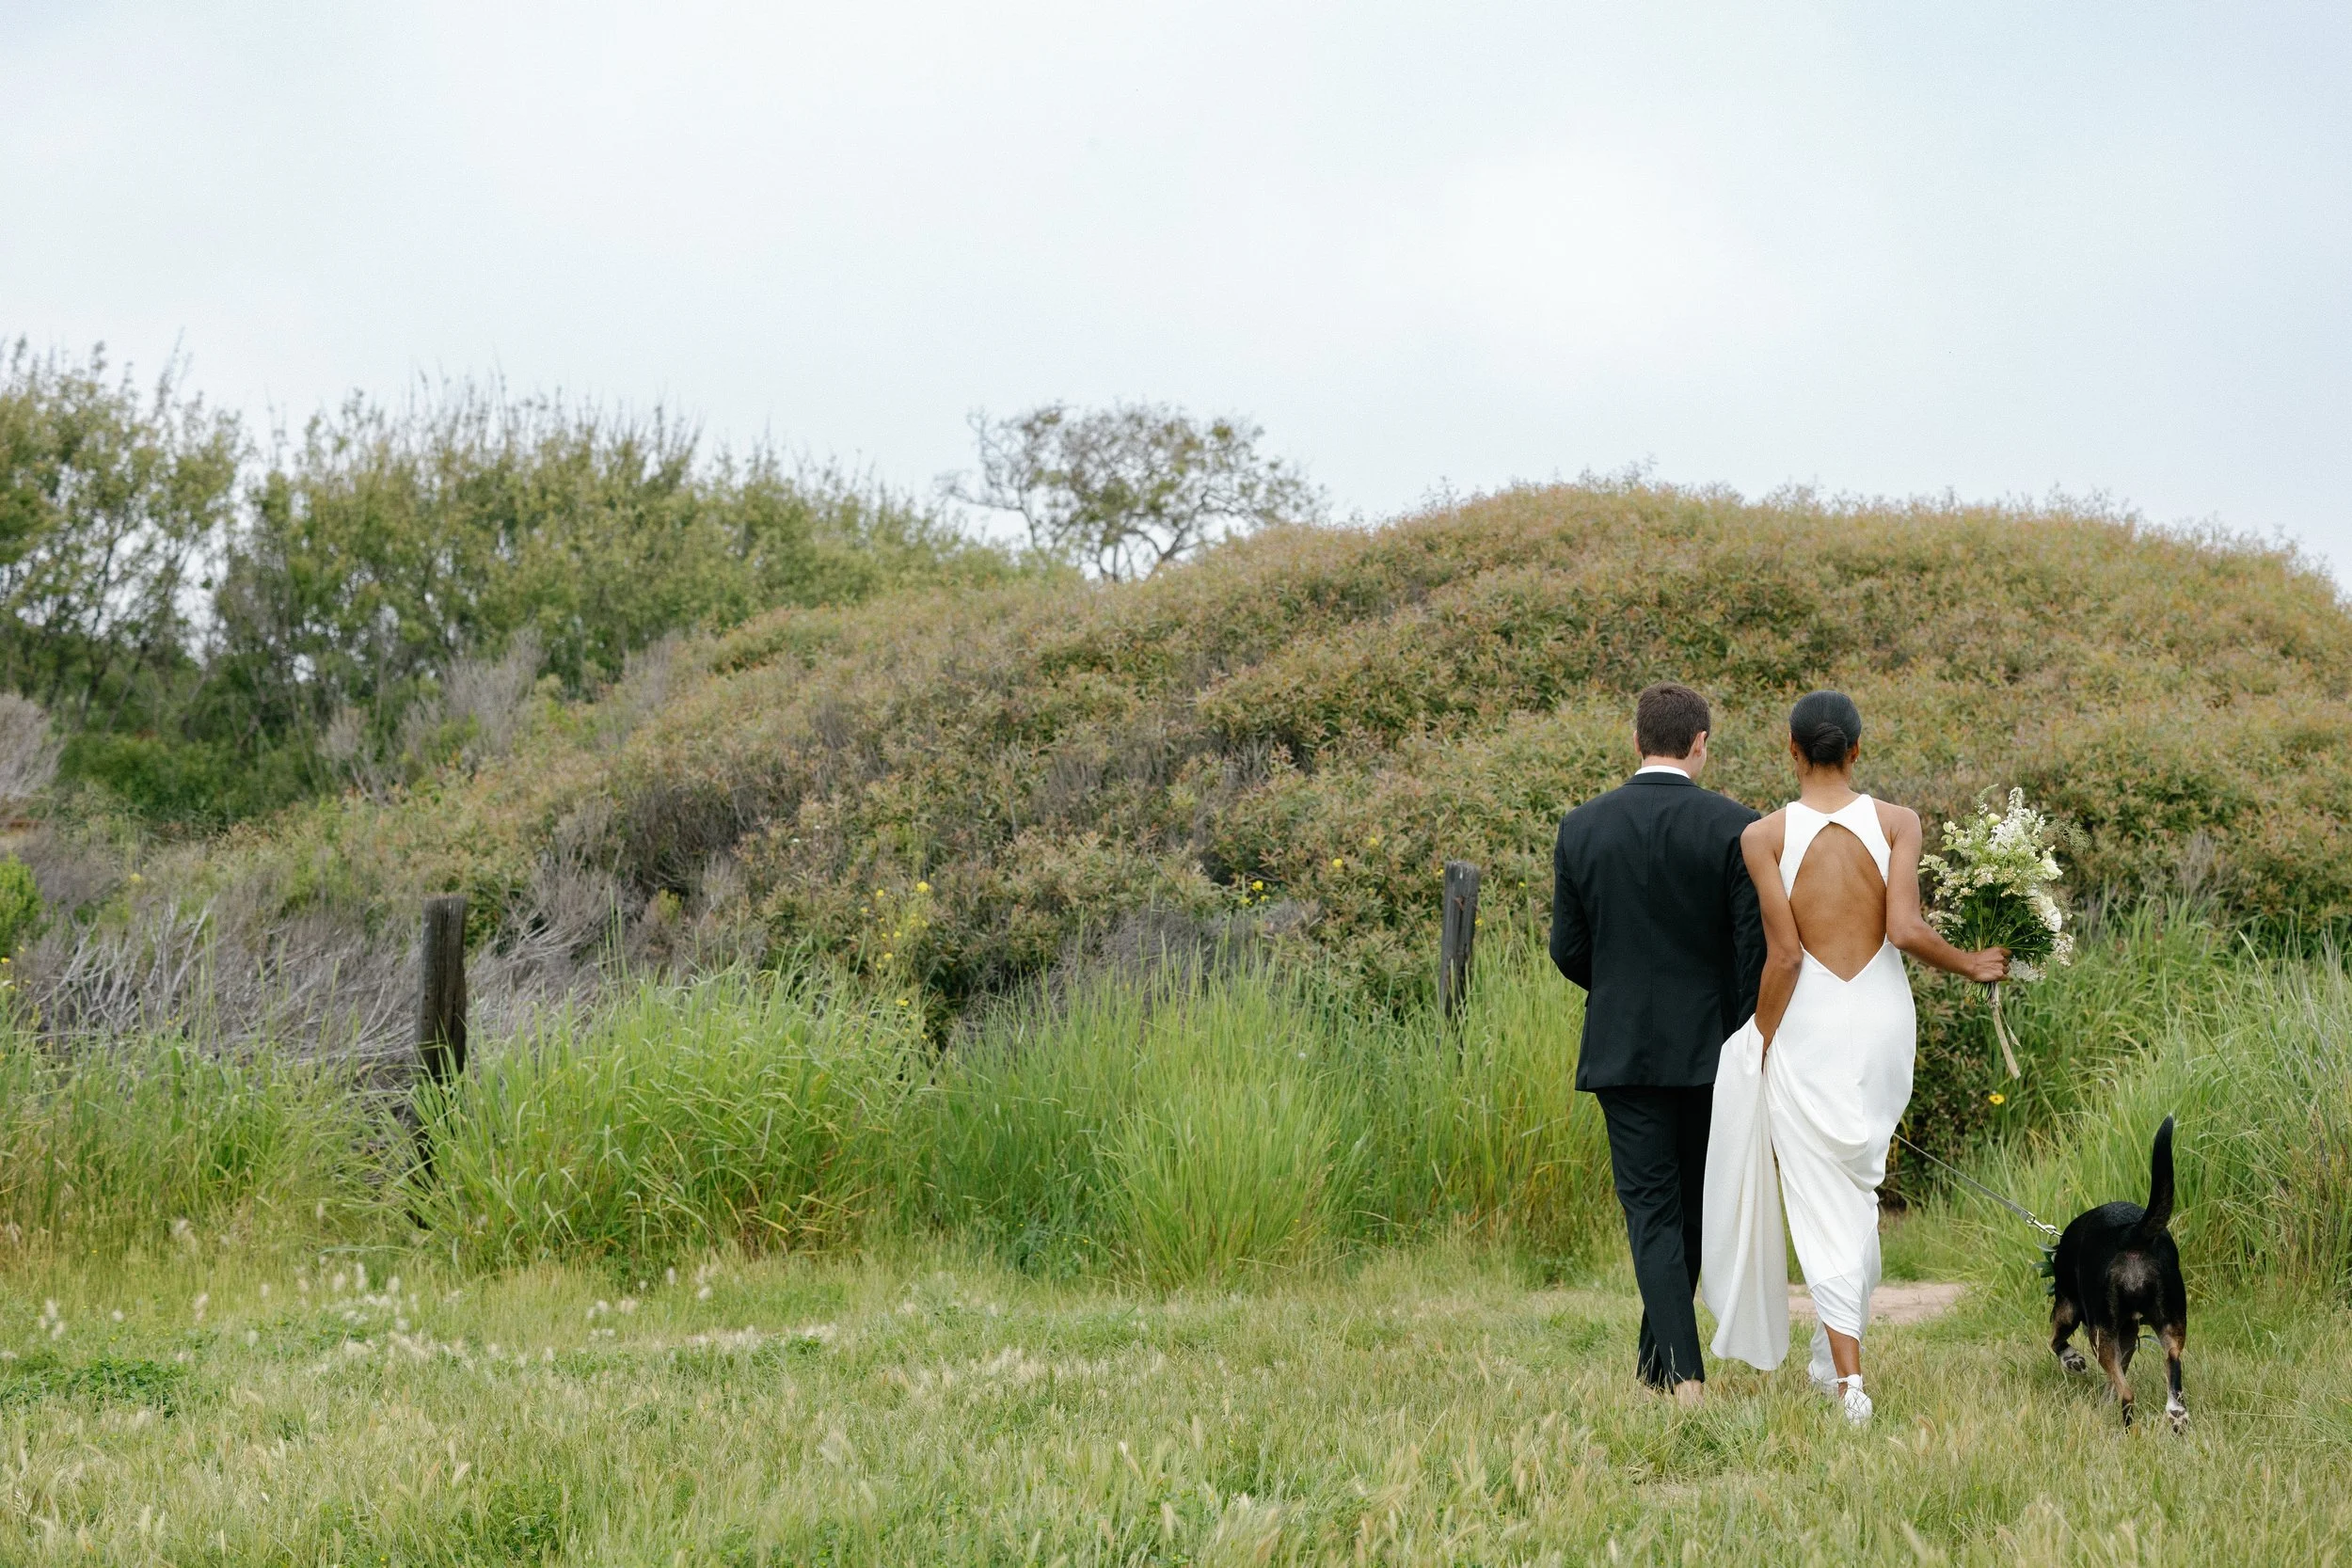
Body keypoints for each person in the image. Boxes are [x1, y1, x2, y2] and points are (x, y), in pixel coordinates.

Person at [1699, 690, 2008, 1424]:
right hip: (1879, 1020)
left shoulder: (1763, 836)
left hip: (1806, 1022)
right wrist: (1970, 964)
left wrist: (1759, 1038)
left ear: (1793, 751)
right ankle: (1830, 1349)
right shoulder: (1899, 822)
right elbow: (1904, 927)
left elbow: (1783, 955)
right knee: (1857, 1189)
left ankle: (1849, 1386)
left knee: (1821, 1193)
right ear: (1858, 751)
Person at [1550, 682, 1764, 1406]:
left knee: (1651, 1211)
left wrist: (1617, 987)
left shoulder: (1581, 827)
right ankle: (1678, 1374)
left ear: (1634, 739)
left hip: (1622, 1049)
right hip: (1713, 1051)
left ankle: (1669, 1372)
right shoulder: (1739, 827)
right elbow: (1751, 954)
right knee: (1693, 1210)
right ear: (1700, 743)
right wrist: (1737, 1033)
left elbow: (1567, 949)